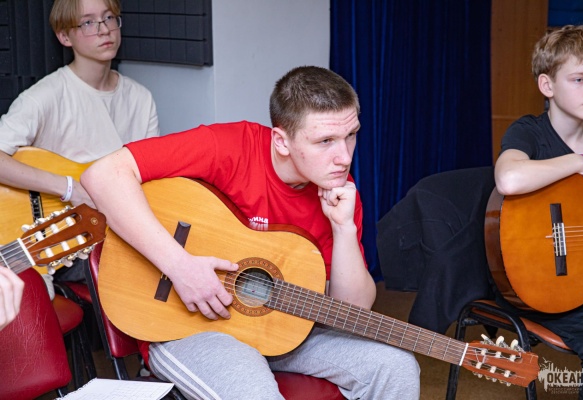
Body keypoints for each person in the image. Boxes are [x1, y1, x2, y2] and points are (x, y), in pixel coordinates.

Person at [81, 66, 420, 399]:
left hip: (285, 330)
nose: (344, 157)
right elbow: (102, 175)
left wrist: (344, 227)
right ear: (282, 141)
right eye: (325, 141)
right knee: (253, 390)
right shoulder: (227, 147)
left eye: (351, 135)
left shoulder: (339, 193)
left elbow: (351, 313)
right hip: (188, 327)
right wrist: (180, 267)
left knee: (397, 366)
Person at [0, 0, 159, 281]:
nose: (104, 30)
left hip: (118, 234)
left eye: (109, 18)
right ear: (64, 36)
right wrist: (68, 188)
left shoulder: (141, 99)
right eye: (88, 22)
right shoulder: (42, 98)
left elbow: (153, 182)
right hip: (62, 244)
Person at [494, 24, 583, 399]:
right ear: (547, 85)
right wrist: (582, 163)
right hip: (540, 285)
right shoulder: (529, 132)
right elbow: (508, 179)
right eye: (579, 79)